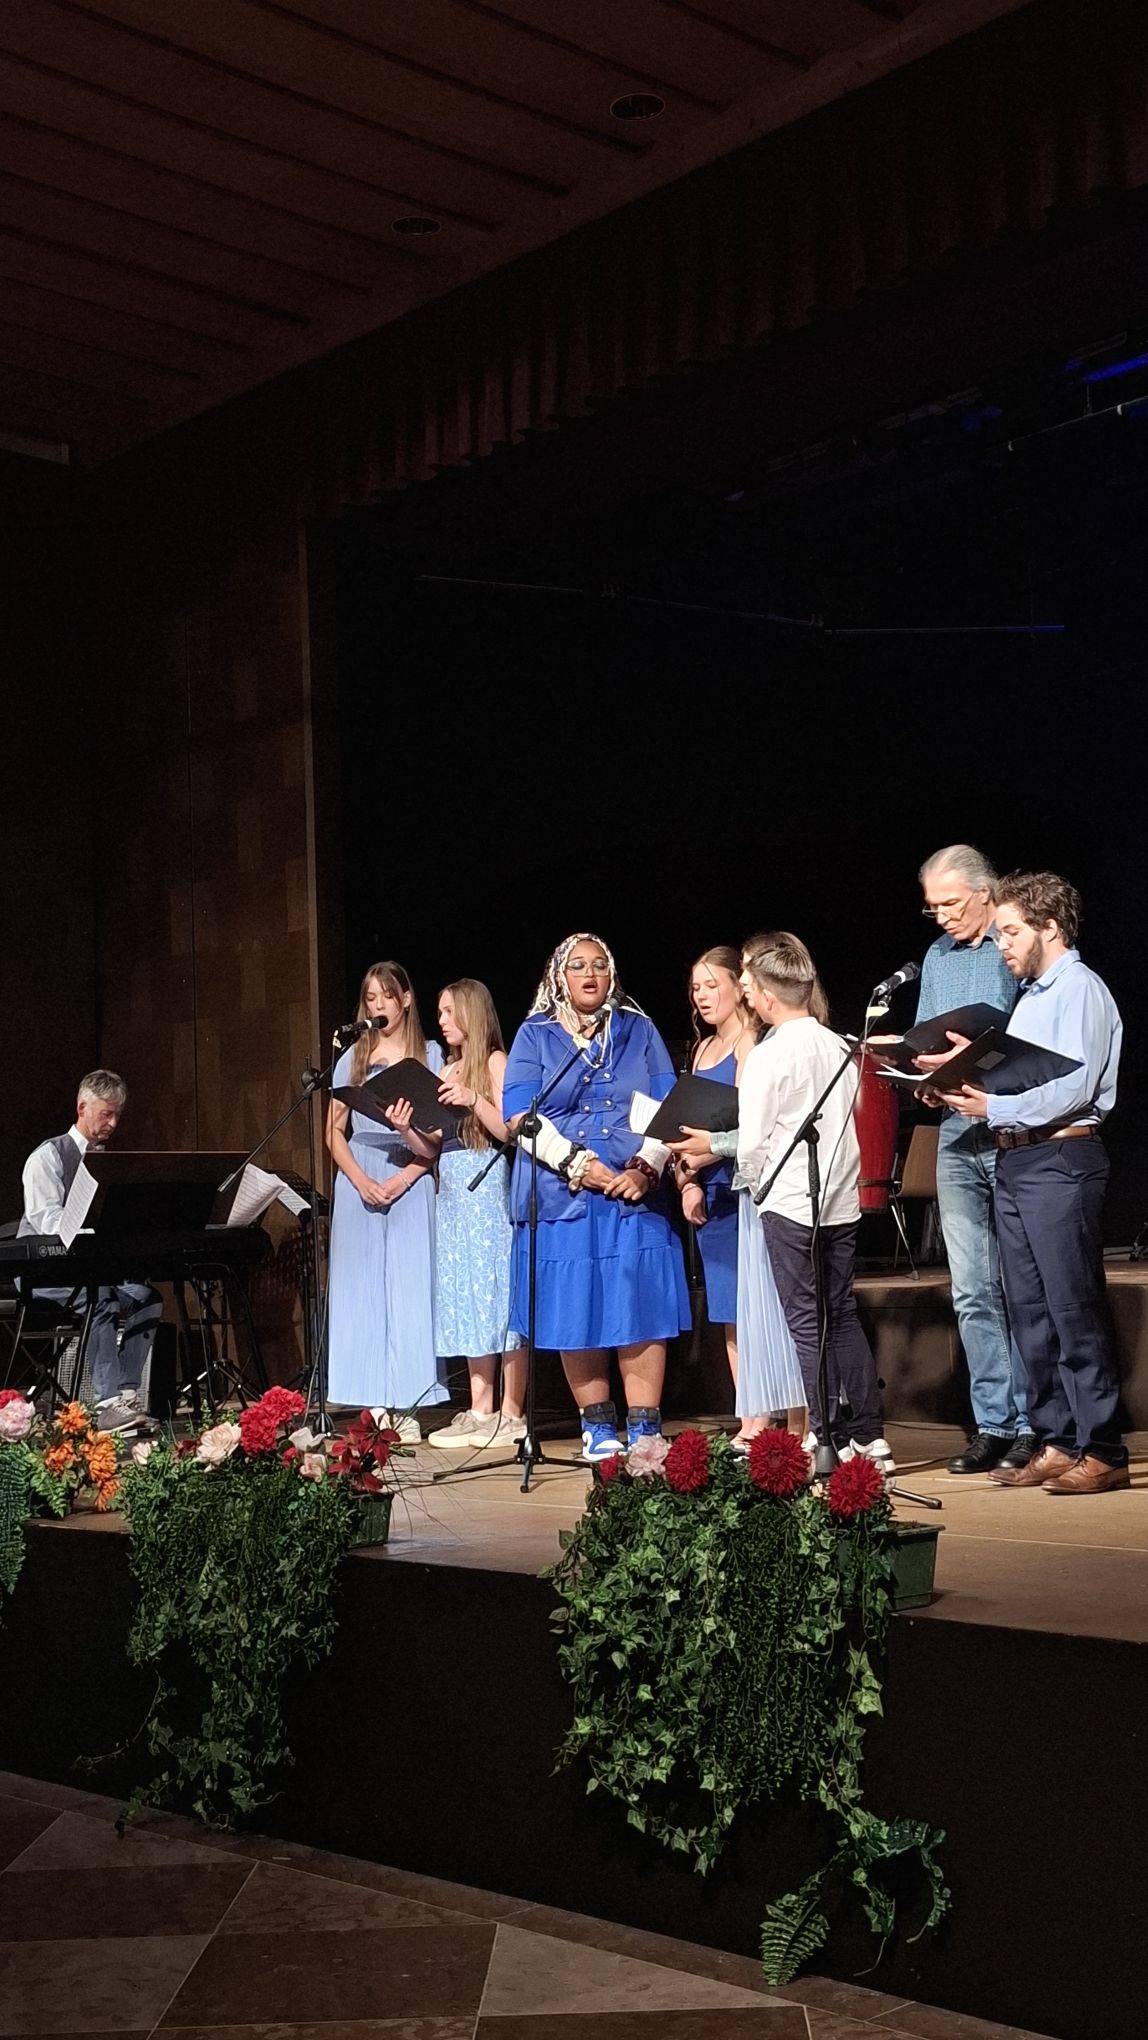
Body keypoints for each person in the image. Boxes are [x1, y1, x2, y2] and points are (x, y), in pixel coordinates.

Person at [938, 871, 1126, 1495]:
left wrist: (993, 1108)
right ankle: (1056, 1439)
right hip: (1017, 1159)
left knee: (1072, 1306)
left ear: (1050, 927)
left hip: (1061, 1158)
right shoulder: (1031, 997)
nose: (1002, 946)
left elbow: (1073, 1088)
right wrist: (959, 1076)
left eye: (1012, 932)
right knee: (1030, 1312)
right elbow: (1024, 1076)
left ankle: (1103, 1448)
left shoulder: (1080, 990)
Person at [501, 933, 691, 1462]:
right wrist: (578, 1164)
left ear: (612, 975)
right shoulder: (535, 1034)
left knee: (640, 1304)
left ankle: (646, 1427)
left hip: (634, 1189)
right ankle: (597, 1424)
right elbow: (519, 1114)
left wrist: (646, 1167)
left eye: (600, 965)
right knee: (575, 1303)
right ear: (559, 976)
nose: (590, 974)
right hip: (561, 1192)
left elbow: (667, 1103)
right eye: (579, 966)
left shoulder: (639, 1029)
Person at [736, 934, 892, 1471]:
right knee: (840, 1314)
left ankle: (828, 1434)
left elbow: (753, 1142)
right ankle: (869, 1435)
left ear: (767, 996)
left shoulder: (768, 1054)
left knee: (807, 1322)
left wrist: (755, 1186)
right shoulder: (839, 1047)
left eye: (750, 989)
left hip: (789, 1202)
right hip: (839, 1201)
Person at [912, 844, 1032, 1474]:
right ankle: (994, 1424)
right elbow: (927, 1037)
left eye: (950, 904)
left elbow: (1032, 1040)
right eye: (933, 907)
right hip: (957, 1131)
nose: (942, 917)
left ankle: (1037, 1422)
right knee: (971, 1289)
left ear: (985, 893)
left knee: (1021, 1285)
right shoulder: (938, 955)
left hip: (1013, 1126)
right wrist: (924, 1074)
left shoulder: (1012, 943)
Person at [672, 945, 804, 1448]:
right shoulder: (703, 1049)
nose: (703, 996)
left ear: (739, 986)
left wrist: (703, 1158)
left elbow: (750, 1123)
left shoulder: (752, 1041)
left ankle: (786, 1416)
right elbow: (684, 1125)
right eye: (696, 988)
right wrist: (687, 1181)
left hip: (741, 1184)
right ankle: (751, 1416)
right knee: (729, 1308)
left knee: (761, 1306)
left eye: (713, 985)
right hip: (707, 1187)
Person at [324, 961, 448, 1434]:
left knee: (410, 1286)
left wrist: (404, 1177)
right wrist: (359, 1181)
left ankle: (409, 1403)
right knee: (361, 1289)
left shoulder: (429, 1054)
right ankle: (373, 1402)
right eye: (370, 999)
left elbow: (437, 1139)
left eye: (386, 997)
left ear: (406, 1000)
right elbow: (333, 1132)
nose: (378, 1007)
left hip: (410, 1174)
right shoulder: (353, 1056)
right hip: (361, 1173)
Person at [409, 979, 527, 1452]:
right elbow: (432, 1146)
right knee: (468, 1296)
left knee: (497, 1294)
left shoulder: (495, 1062)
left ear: (470, 1014)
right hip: (454, 1193)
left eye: (447, 1011)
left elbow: (509, 1131)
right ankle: (480, 1409)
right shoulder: (447, 1068)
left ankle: (511, 1413)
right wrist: (407, 1126)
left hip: (487, 1187)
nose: (440, 1021)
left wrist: (474, 1098)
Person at [20, 1069, 161, 1431]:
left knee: (147, 1298)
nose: (113, 1123)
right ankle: (107, 1404)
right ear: (82, 1108)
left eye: (117, 1116)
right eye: (106, 1114)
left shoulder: (109, 1163)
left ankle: (127, 1394)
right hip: (44, 1273)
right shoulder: (49, 1156)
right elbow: (47, 1221)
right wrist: (91, 1232)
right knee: (101, 1297)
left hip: (89, 1270)